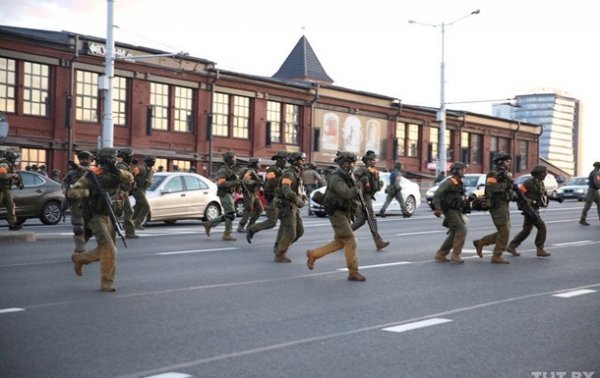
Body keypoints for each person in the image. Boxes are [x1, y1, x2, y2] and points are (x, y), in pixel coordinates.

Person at [69, 148, 133, 292]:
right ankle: (107, 283)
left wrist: (117, 172)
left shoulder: (117, 174)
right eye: (111, 159)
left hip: (111, 216)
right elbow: (74, 192)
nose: (114, 161)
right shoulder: (93, 174)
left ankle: (80, 259)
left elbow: (130, 178)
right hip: (96, 216)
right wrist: (92, 193)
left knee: (104, 249)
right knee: (110, 249)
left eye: (114, 159)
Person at [306, 151, 366, 281]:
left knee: (340, 242)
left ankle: (313, 254)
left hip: (344, 212)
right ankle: (353, 272)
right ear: (344, 164)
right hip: (336, 213)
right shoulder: (336, 178)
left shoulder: (348, 176)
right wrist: (359, 185)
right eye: (351, 163)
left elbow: (353, 196)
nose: (353, 165)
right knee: (351, 240)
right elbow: (347, 193)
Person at [472, 152, 515, 264]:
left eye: (509, 161)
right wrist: (507, 184)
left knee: (505, 230)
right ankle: (497, 255)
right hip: (496, 204)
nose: (509, 163)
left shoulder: (505, 173)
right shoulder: (493, 174)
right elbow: (491, 188)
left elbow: (509, 190)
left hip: (504, 204)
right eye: (507, 161)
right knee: (504, 231)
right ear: (500, 161)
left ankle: (481, 242)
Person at [508, 165, 557, 257]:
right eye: (543, 173)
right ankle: (540, 249)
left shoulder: (541, 183)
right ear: (538, 174)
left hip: (534, 208)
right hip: (528, 209)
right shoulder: (529, 182)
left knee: (526, 230)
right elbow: (518, 193)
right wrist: (527, 201)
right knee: (542, 227)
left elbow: (543, 195)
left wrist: (556, 199)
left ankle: (512, 246)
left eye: (545, 173)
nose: (545, 175)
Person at [246, 151, 288, 244]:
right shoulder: (272, 170)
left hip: (280, 200)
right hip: (272, 198)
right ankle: (252, 229)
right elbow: (270, 182)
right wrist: (283, 179)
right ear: (279, 160)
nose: (286, 161)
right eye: (284, 159)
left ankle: (279, 244)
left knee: (286, 221)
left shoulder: (282, 170)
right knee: (272, 222)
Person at [352, 150, 389, 250]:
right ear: (367, 161)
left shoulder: (374, 171)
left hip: (367, 197)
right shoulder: (364, 169)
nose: (374, 161)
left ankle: (343, 234)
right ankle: (378, 242)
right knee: (371, 217)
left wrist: (377, 179)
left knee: (361, 221)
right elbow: (354, 176)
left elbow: (376, 187)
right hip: (363, 197)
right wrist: (363, 184)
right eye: (372, 160)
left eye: (374, 160)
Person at [432, 162, 469, 264]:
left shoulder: (459, 182)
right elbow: (437, 195)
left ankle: (441, 254)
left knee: (454, 233)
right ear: (455, 171)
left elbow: (459, 196)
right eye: (462, 170)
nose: (463, 172)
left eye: (463, 170)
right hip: (450, 210)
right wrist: (437, 208)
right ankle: (455, 255)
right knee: (462, 230)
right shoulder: (449, 182)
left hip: (457, 210)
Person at [273, 151, 306, 262]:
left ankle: (280, 246)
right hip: (287, 206)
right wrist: (298, 199)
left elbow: (298, 189)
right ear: (295, 161)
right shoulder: (289, 173)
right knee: (291, 232)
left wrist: (302, 196)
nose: (303, 162)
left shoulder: (296, 173)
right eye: (301, 160)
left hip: (293, 206)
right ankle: (280, 254)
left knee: (299, 231)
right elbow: (286, 190)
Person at [203, 151, 239, 240]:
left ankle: (210, 224)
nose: (235, 159)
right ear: (228, 159)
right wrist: (235, 182)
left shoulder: (230, 169)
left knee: (230, 214)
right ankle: (227, 234)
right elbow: (221, 183)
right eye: (233, 158)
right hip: (224, 193)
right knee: (230, 214)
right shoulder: (223, 170)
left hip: (229, 193)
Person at [62, 151, 93, 252]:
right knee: (78, 228)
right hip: (77, 203)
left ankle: (82, 244)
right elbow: (65, 184)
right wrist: (66, 194)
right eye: (81, 159)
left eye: (86, 159)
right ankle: (80, 249)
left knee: (90, 229)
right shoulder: (72, 173)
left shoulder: (94, 172)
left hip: (91, 203)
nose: (83, 161)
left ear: (91, 160)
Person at [237, 158, 264, 233]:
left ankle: (250, 225)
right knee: (248, 210)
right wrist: (255, 182)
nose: (260, 165)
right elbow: (245, 180)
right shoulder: (250, 171)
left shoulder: (254, 172)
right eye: (258, 163)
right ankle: (241, 226)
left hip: (254, 194)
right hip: (249, 194)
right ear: (255, 164)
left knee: (260, 209)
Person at [116, 148, 138, 239]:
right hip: (120, 192)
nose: (131, 158)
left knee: (122, 211)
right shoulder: (121, 166)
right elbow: (121, 179)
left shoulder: (127, 166)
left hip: (124, 192)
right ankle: (129, 232)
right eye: (130, 156)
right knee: (124, 211)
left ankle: (129, 232)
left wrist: (133, 187)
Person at [0, 150, 24, 230]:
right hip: (1, 189)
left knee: (11, 206)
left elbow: (14, 178)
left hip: (6, 190)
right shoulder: (4, 165)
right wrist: (13, 175)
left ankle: (12, 224)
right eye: (15, 159)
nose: (16, 161)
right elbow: (3, 176)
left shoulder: (11, 166)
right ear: (11, 158)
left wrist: (19, 183)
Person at [132, 155, 155, 230]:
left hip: (144, 189)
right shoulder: (140, 168)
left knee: (139, 207)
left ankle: (131, 223)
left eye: (153, 161)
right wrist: (134, 185)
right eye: (152, 161)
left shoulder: (151, 170)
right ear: (147, 161)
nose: (153, 162)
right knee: (146, 206)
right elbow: (131, 175)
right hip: (137, 189)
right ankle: (137, 223)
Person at [579, 161, 600, 226]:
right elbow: (597, 182)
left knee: (599, 204)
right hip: (593, 191)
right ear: (598, 166)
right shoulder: (596, 173)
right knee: (587, 205)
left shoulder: (593, 172)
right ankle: (582, 220)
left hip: (594, 190)